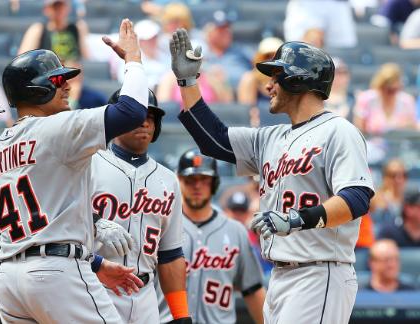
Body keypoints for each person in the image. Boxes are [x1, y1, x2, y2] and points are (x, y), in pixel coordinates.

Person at [168, 29, 375, 323]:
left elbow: (356, 199)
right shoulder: (270, 138)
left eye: (277, 76)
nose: (268, 85)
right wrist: (188, 83)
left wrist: (296, 219)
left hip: (319, 271)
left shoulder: (339, 131)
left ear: (299, 79)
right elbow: (213, 140)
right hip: (280, 276)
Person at [0, 19, 148, 323]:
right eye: (56, 80)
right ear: (35, 90)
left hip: (10, 279)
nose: (67, 85)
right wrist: (134, 61)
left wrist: (96, 263)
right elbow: (133, 111)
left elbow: (45, 215)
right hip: (55, 275)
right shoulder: (57, 127)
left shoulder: (0, 145)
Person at [90, 88, 190, 323]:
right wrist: (94, 222)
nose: (144, 122)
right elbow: (59, 219)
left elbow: (171, 254)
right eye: (136, 115)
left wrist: (180, 314)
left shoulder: (167, 179)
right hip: (95, 286)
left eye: (151, 116)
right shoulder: (88, 165)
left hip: (146, 295)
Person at [158, 149, 265, 324]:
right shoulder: (162, 225)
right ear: (179, 182)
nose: (197, 186)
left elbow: (253, 289)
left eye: (204, 179)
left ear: (214, 183)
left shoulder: (235, 230)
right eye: (190, 180)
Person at [353, 63, 417, 136]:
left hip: (399, 145)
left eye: (395, 90)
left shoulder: (407, 101)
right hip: (371, 144)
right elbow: (359, 130)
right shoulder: (366, 99)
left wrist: (404, 126)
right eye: (388, 89)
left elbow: (412, 128)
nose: (390, 93)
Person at [17, 0, 89, 60]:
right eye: (55, 7)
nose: (58, 10)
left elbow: (87, 58)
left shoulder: (76, 29)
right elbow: (23, 60)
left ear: (68, 8)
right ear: (46, 10)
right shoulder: (38, 30)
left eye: (61, 6)